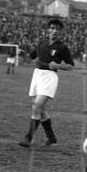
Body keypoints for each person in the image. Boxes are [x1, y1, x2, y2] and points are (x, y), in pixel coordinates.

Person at [19, 17, 74, 147]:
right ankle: (51, 138)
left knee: (37, 105)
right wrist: (22, 54)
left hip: (50, 76)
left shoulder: (62, 47)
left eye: (58, 29)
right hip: (37, 75)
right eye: (52, 28)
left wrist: (58, 66)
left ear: (60, 32)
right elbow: (29, 59)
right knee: (41, 110)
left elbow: (71, 65)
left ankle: (28, 138)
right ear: (48, 30)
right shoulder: (41, 44)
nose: (55, 31)